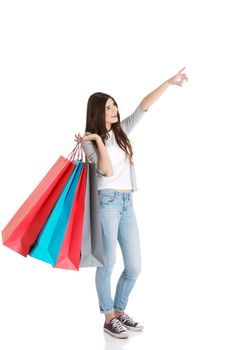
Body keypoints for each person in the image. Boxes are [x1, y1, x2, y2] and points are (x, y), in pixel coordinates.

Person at [74, 67, 188, 339]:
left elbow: (143, 107)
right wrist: (97, 141)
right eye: (109, 108)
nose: (114, 111)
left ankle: (119, 311)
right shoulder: (91, 143)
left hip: (126, 203)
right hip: (107, 202)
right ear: (97, 113)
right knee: (108, 263)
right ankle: (107, 317)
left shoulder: (122, 131)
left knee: (134, 266)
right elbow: (107, 171)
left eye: (115, 106)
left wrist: (167, 83)